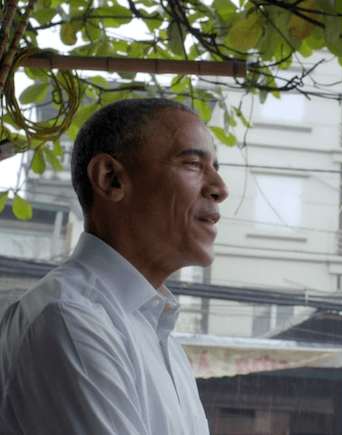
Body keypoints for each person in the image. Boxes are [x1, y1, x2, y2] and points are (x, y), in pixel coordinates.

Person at [0, 98, 228, 434]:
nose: (219, 189)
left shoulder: (162, 341)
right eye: (193, 163)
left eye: (216, 167)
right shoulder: (68, 316)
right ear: (111, 179)